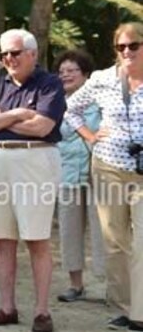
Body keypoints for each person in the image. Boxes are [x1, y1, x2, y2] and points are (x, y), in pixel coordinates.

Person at [0, 28, 66, 332]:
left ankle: (42, 311)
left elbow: (42, 127)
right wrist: (16, 114)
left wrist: (0, 119)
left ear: (32, 54)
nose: (9, 59)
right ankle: (7, 307)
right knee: (2, 238)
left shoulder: (49, 83)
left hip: (35, 160)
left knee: (36, 238)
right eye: (4, 54)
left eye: (15, 52)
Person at [63, 22, 143, 332]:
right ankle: (125, 308)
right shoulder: (102, 80)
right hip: (108, 166)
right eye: (121, 47)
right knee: (114, 242)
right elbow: (71, 109)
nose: (126, 52)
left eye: (133, 46)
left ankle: (141, 309)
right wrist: (90, 136)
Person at [54, 49, 106, 303]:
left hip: (99, 175)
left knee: (104, 231)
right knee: (69, 230)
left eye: (72, 70)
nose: (66, 75)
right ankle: (76, 285)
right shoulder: (56, 102)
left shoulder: (102, 101)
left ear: (85, 74)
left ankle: (110, 286)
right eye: (62, 72)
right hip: (66, 175)